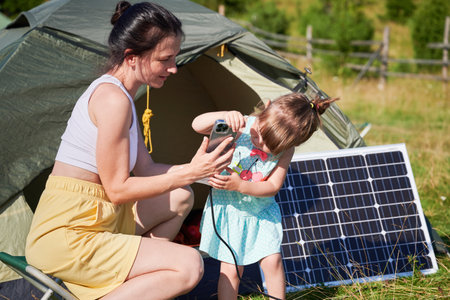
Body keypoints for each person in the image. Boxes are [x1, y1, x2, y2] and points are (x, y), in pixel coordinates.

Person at [25, 2, 234, 299]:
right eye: (165, 59)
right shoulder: (112, 100)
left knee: (181, 196)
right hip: (70, 233)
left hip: (99, 218)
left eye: (175, 57)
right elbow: (118, 190)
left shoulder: (122, 95)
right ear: (131, 57)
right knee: (189, 266)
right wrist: (189, 172)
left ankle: (133, 288)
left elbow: (146, 171)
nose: (173, 68)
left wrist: (198, 169)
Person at [192, 93, 338, 299]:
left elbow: (272, 186)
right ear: (265, 109)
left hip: (261, 212)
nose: (258, 142)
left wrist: (241, 185)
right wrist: (225, 115)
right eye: (259, 134)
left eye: (269, 145)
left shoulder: (286, 151)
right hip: (230, 211)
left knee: (273, 261)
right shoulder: (242, 124)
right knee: (232, 269)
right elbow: (197, 124)